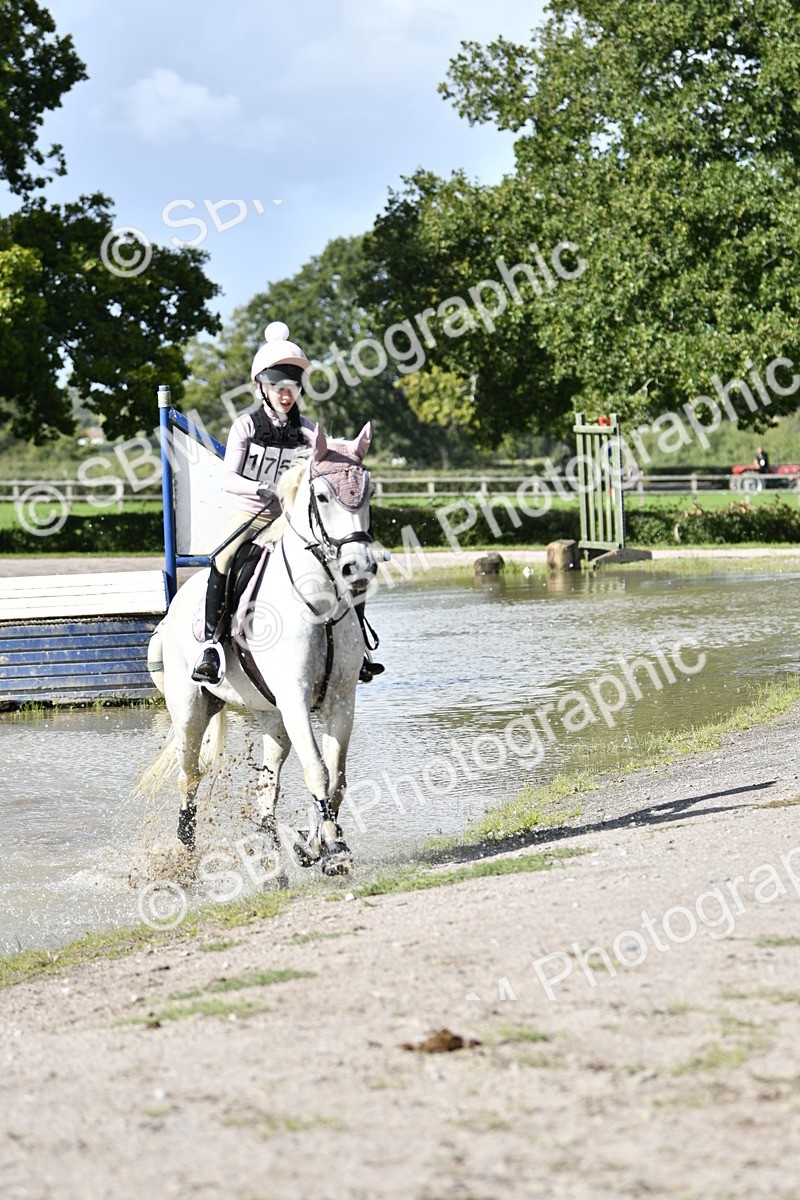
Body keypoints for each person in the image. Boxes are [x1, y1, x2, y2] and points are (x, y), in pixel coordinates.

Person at [191, 321, 383, 686]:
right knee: (223, 559)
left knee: (344, 561)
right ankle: (212, 646)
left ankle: (358, 646)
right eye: (279, 387)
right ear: (263, 387)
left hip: (291, 518)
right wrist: (262, 488)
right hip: (251, 513)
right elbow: (228, 478)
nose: (286, 395)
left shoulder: (310, 430)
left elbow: (332, 457)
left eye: (292, 388)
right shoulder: (245, 426)